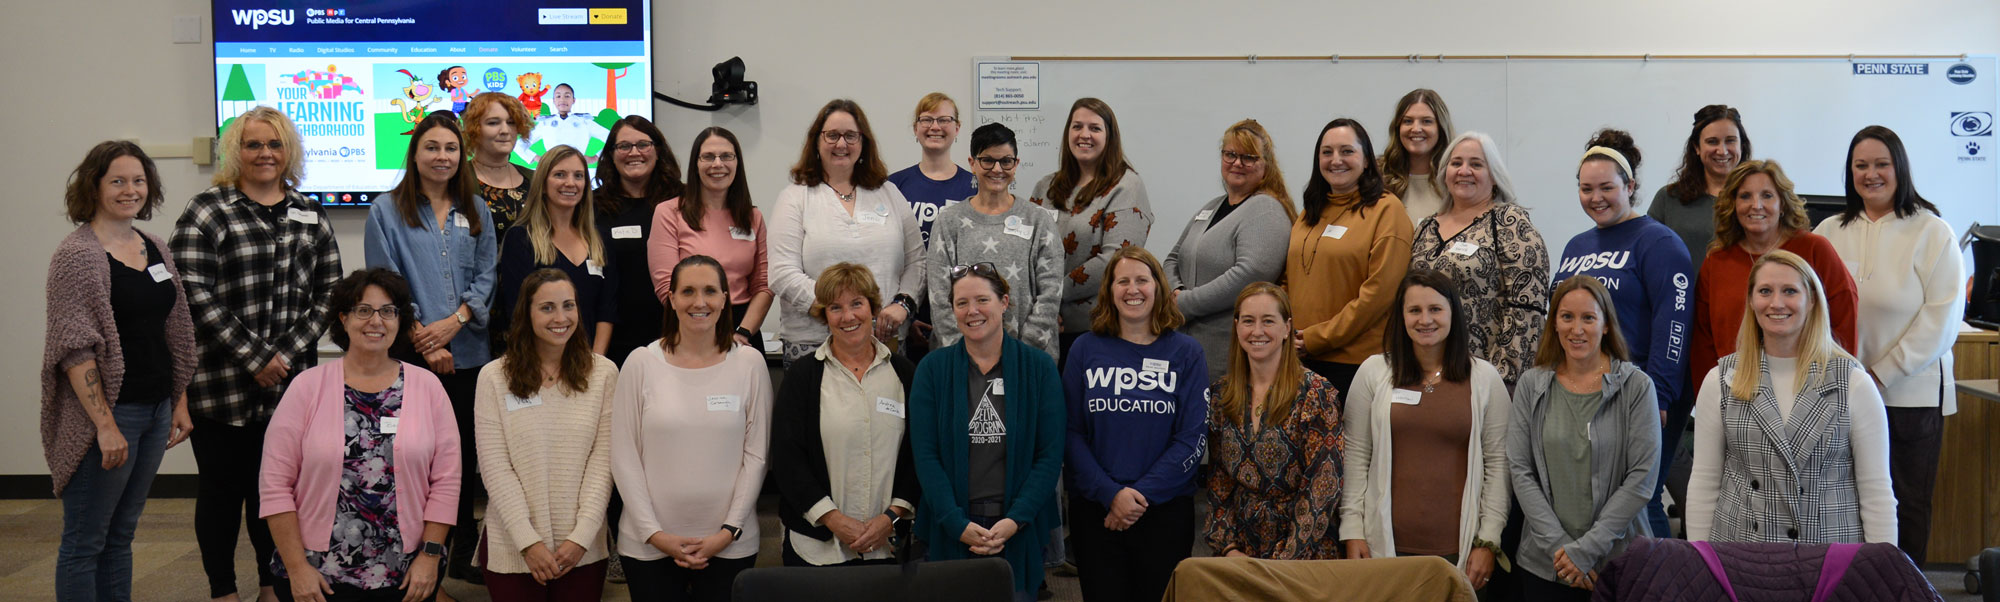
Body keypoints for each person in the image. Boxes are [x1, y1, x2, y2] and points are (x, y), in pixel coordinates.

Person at [172, 106, 343, 602]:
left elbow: (330, 293)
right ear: (235, 152)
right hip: (222, 387)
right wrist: (253, 356)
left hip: (290, 387)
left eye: (274, 144)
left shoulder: (311, 212)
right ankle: (223, 590)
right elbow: (192, 292)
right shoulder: (208, 210)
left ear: (288, 151)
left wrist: (281, 357)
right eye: (253, 145)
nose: (265, 154)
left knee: (278, 494)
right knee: (222, 494)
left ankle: (271, 585)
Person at [43, 141, 196, 602]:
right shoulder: (76, 256)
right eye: (118, 181)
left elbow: (176, 328)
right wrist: (104, 425)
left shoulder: (153, 246)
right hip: (109, 417)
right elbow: (74, 349)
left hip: (154, 410)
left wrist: (180, 399)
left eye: (139, 181)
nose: (130, 190)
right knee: (85, 541)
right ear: (94, 186)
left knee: (121, 536)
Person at [258, 268, 460, 602]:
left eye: (388, 311)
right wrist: (296, 567)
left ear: (401, 320)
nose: (376, 321)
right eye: (363, 310)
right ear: (343, 318)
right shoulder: (306, 387)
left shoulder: (428, 387)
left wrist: (430, 557)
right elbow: (275, 484)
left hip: (406, 572)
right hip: (317, 575)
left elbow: (447, 481)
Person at [1813, 125, 1964, 562]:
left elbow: (1942, 318)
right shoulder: (1827, 231)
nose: (1871, 174)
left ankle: (1905, 586)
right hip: (1840, 392)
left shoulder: (1932, 231)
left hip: (1910, 395)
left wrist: (1882, 374)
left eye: (1881, 164)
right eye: (1861, 165)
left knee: (1907, 502)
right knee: (1846, 499)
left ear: (1899, 168)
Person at [362, 110, 499, 581]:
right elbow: (385, 281)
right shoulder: (385, 210)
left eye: (450, 149)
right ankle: (405, 553)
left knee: (460, 456)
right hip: (411, 360)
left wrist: (456, 322)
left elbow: (487, 275)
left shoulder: (476, 210)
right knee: (411, 455)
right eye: (432, 147)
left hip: (470, 357)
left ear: (462, 156)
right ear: (415, 153)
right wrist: (424, 336)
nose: (442, 157)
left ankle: (458, 556)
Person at [1685, 251, 1896, 544]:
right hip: (1739, 554)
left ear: (1811, 301)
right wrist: (1701, 560)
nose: (1776, 303)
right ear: (1751, 301)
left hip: (1830, 560)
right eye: (1765, 291)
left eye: (1789, 291)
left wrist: (1880, 573)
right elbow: (1704, 484)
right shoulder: (1720, 380)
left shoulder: (1854, 383)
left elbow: (1876, 493)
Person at [1546, 130, 1692, 537]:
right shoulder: (1577, 245)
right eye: (1586, 188)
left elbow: (1675, 323)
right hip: (1586, 388)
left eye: (1607, 187)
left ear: (1629, 187)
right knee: (1598, 496)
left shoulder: (1659, 242)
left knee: (1642, 498)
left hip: (1641, 392)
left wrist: (1660, 394)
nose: (1596, 197)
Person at [611, 255, 772, 602]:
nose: (699, 302)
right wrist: (654, 534)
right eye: (688, 291)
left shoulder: (749, 364)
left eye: (710, 291)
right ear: (671, 298)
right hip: (647, 544)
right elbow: (623, 457)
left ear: (726, 298)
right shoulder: (640, 363)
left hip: (730, 544)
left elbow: (756, 456)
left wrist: (728, 532)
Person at [1340, 270, 1510, 591]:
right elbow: (1356, 456)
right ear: (1401, 316)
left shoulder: (1485, 378)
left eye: (1435, 309)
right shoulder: (1374, 372)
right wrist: (1352, 529)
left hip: (1458, 552)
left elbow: (1499, 466)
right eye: (1414, 310)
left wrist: (1488, 541)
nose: (1425, 320)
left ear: (1452, 314)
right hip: (1384, 548)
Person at [909, 263, 1065, 601]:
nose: (972, 311)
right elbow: (925, 455)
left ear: (1004, 302)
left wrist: (1016, 520)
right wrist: (955, 523)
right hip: (950, 526)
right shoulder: (932, 370)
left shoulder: (1039, 370)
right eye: (961, 303)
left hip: (1016, 528)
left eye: (982, 300)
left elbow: (1049, 456)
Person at [1062, 247, 1208, 602]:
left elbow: (1192, 438)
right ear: (1109, 291)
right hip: (1097, 508)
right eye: (1122, 281)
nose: (1133, 289)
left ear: (1158, 287)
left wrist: (1137, 497)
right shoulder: (1084, 348)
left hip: (1165, 510)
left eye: (1142, 280)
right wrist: (1112, 495)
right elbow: (1069, 432)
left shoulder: (1187, 352)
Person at [1508, 276, 1660, 599]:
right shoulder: (1531, 385)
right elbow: (1521, 471)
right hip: (1544, 565)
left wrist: (1587, 549)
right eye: (1567, 317)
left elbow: (1642, 479)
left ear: (1606, 325)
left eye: (1588, 318)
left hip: (1619, 564)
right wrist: (1563, 551)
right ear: (1554, 324)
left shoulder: (1637, 387)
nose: (1576, 329)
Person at [474, 269, 618, 600]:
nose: (561, 317)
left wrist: (581, 536)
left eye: (569, 305)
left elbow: (603, 463)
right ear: (527, 313)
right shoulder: (494, 378)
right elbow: (495, 467)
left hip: (582, 550)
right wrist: (528, 541)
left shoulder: (604, 374)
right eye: (547, 307)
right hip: (512, 547)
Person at [770, 263, 919, 566]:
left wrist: (891, 517)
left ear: (873, 307)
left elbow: (918, 455)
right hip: (817, 552)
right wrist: (834, 519)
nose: (848, 316)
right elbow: (787, 460)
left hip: (886, 545)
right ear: (824, 315)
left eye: (857, 304)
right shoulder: (803, 377)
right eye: (835, 307)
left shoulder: (904, 374)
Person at [770, 99, 926, 363]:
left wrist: (903, 304)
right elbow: (781, 273)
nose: (841, 144)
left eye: (851, 136)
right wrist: (840, 311)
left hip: (883, 340)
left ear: (863, 142)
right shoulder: (795, 197)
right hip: (814, 343)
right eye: (832, 135)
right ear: (816, 142)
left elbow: (917, 261)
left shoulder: (889, 193)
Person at [1689, 159, 1859, 401]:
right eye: (1745, 196)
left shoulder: (1814, 249)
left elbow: (1844, 318)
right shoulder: (1717, 261)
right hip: (1737, 393)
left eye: (1767, 195)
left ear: (1782, 204)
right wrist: (1712, 397)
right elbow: (1702, 341)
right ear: (1733, 205)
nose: (1756, 205)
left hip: (1810, 392)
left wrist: (1835, 386)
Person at [1203, 283, 1343, 560]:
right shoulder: (1222, 394)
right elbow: (1218, 482)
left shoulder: (1316, 393)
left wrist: (1284, 559)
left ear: (1287, 327)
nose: (1257, 331)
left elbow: (1323, 487)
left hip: (1303, 554)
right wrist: (1229, 550)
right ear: (1237, 327)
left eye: (1268, 321)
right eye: (1248, 321)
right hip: (1240, 553)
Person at [1408, 131, 1549, 385]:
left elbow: (1528, 309)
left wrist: (1501, 379)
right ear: (1444, 172)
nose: (1464, 171)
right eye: (1456, 163)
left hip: (1486, 374)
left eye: (1476, 164)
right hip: (1425, 373)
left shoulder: (1510, 223)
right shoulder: (1425, 228)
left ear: (1494, 177)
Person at [1285, 118, 1413, 394]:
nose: (1336, 160)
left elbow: (1377, 296)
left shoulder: (1387, 211)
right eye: (1327, 152)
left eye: (1347, 151)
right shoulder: (1310, 211)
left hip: (1355, 365)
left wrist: (1316, 338)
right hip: (1299, 359)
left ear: (1366, 160)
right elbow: (1288, 278)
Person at [1163, 119, 1296, 381]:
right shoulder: (1212, 206)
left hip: (1226, 354)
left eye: (1248, 157)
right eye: (1230, 154)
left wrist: (1185, 303)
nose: (1237, 163)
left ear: (1265, 165)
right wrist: (1174, 292)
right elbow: (1172, 257)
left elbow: (1250, 272)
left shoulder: (1265, 209)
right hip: (1183, 343)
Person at [1029, 98, 1153, 363]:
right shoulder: (1046, 186)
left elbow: (1116, 261)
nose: (1084, 135)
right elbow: (1025, 250)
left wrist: (1050, 298)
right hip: (1042, 330)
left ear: (1109, 137)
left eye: (1095, 128)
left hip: (1097, 332)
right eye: (1077, 127)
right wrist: (1040, 306)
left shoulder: (1126, 187)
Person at [926, 122, 1064, 359]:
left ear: (1016, 164)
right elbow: (939, 298)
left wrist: (1022, 353)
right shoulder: (949, 222)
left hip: (1029, 358)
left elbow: (1051, 293)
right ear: (972, 163)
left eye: (1006, 161)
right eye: (987, 160)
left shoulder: (1039, 220)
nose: (997, 169)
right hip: (962, 360)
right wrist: (968, 355)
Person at [651, 127, 772, 351]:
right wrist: (701, 330)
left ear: (737, 163)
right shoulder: (669, 213)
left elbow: (763, 286)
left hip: (743, 331)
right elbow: (666, 287)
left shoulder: (752, 217)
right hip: (689, 326)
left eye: (726, 156)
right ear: (695, 165)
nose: (718, 164)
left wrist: (743, 332)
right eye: (708, 157)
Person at [494, 145, 618, 355]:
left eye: (578, 176)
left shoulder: (600, 239)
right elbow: (519, 312)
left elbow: (607, 309)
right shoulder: (522, 239)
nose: (570, 183)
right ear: (542, 184)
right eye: (560, 174)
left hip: (591, 361)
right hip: (540, 364)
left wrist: (596, 362)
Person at [595, 115, 684, 365]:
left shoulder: (685, 202)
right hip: (611, 338)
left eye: (643, 144)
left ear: (658, 150)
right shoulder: (591, 207)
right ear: (611, 155)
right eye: (624, 146)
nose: (634, 152)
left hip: (675, 334)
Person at [1649, 105, 1751, 277]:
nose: (1722, 150)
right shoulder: (1669, 198)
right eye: (1712, 142)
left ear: (1742, 145)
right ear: (1697, 147)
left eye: (1730, 140)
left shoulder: (1759, 202)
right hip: (1683, 301)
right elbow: (1647, 257)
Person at [888, 92, 977, 246]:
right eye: (927, 120)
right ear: (916, 128)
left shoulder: (974, 186)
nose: (935, 127)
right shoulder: (893, 185)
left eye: (944, 120)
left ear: (957, 128)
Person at [465, 93, 536, 237]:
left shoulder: (534, 178)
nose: (505, 130)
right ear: (474, 129)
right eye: (493, 123)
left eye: (511, 122)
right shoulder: (456, 177)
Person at [1380, 89, 1456, 222]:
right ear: (1398, 127)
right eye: (1408, 121)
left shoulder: (1456, 178)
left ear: (1441, 127)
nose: (1416, 129)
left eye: (1426, 121)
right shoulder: (1378, 175)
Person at [528, 84, 608, 164]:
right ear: (553, 100)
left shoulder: (584, 122)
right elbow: (520, 142)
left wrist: (595, 157)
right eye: (558, 96)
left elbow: (613, 138)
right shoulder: (545, 123)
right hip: (553, 168)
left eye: (567, 96)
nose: (562, 99)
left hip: (577, 168)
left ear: (573, 100)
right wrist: (535, 157)